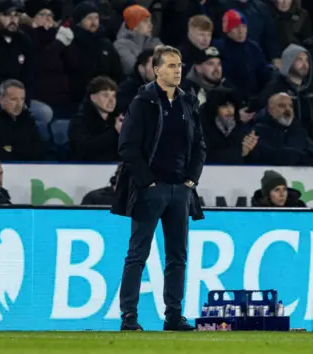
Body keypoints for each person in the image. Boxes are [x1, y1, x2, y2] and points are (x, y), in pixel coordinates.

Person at [111, 45, 206, 331]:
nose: (177, 70)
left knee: (178, 256)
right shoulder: (143, 102)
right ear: (156, 70)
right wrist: (147, 182)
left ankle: (173, 316)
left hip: (180, 189)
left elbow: (200, 145)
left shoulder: (188, 102)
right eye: (171, 65)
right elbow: (127, 146)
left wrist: (191, 181)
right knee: (138, 253)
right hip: (151, 189)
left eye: (179, 65)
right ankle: (129, 317)